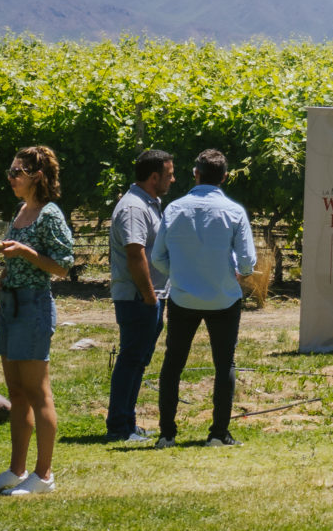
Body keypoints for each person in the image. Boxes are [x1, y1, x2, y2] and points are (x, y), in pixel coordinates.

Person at [0, 145, 75, 497]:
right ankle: (16, 470)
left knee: (37, 391)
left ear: (37, 176)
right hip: (12, 304)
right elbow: (9, 263)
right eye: (10, 172)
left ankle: (44, 475)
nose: (10, 178)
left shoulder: (50, 215)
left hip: (34, 306)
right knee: (17, 393)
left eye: (17, 172)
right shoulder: (21, 211)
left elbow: (63, 265)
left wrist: (27, 253)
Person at [149, 149, 259, 449]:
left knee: (173, 363)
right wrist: (235, 271)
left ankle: (167, 433)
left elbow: (157, 257)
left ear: (195, 174)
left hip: (183, 297)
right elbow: (248, 261)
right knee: (224, 365)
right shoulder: (234, 211)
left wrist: (180, 273)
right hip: (224, 297)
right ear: (224, 177)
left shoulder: (173, 209)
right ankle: (218, 433)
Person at [105, 149, 170, 444]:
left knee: (137, 360)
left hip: (147, 297)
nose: (173, 179)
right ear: (153, 176)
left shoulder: (149, 203)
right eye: (169, 174)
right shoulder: (134, 208)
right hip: (138, 297)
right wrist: (149, 297)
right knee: (131, 359)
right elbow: (135, 253)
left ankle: (128, 423)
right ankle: (119, 426)